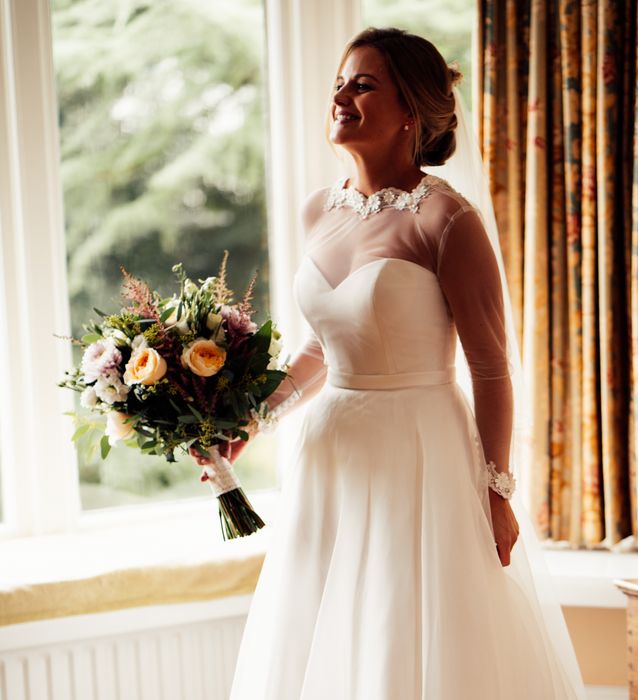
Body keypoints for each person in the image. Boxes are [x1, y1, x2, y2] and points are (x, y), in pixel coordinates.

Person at [201, 27, 586, 700]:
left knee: (411, 637)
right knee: (329, 638)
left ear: (410, 109)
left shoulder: (446, 220)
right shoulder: (318, 208)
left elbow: (492, 368)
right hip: (332, 458)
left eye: (364, 83)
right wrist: (254, 417)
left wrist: (497, 492)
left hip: (421, 457)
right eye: (340, 83)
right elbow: (321, 347)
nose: (342, 96)